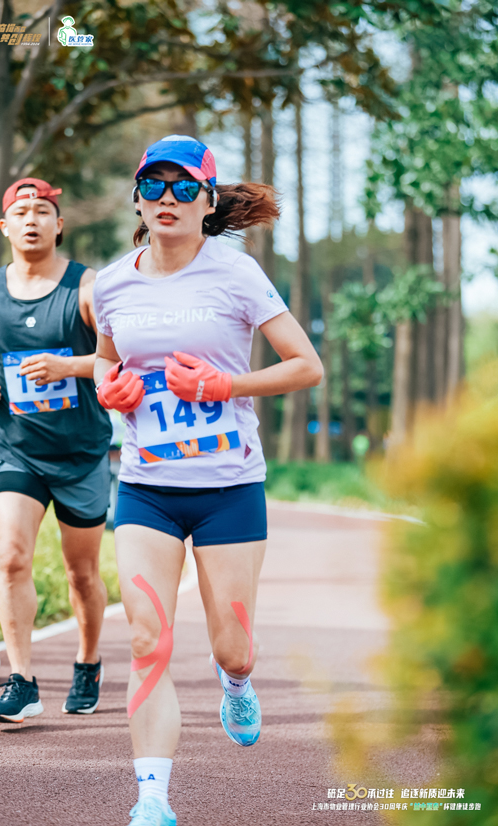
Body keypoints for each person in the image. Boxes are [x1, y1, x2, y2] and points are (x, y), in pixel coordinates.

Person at [93, 135, 324, 826]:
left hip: (228, 487)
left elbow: (306, 366)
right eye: (153, 185)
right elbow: (106, 362)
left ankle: (237, 680)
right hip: (146, 487)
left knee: (234, 646)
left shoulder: (237, 274)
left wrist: (227, 384)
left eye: (184, 186)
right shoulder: (111, 282)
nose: (167, 198)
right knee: (147, 640)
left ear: (207, 201)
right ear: (138, 198)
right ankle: (152, 798)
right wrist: (111, 389)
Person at [0, 178, 113, 723]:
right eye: (22, 212)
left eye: (43, 211)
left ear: (59, 224)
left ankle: (88, 661)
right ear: (5, 226)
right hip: (17, 448)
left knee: (81, 574)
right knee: (11, 557)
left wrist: (66, 366)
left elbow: (118, 359)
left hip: (80, 452)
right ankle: (22, 681)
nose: (32, 219)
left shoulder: (87, 287)